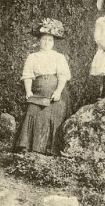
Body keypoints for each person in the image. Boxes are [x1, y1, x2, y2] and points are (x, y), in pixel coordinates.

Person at [14, 18, 71, 155]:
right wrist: (28, 91)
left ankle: (50, 148)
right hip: (38, 92)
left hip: (55, 92)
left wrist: (58, 91)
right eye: (44, 39)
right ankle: (28, 145)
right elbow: (28, 76)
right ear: (39, 41)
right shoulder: (33, 57)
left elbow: (63, 76)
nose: (46, 42)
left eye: (50, 40)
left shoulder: (58, 57)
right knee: (33, 111)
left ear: (53, 42)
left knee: (53, 112)